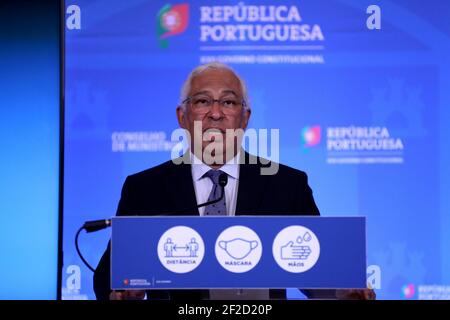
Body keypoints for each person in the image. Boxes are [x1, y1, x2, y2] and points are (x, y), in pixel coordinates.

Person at [93, 62, 375, 300]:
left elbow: (315, 268)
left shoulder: (287, 184)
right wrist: (121, 291)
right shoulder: (145, 188)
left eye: (228, 102)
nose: (215, 113)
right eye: (203, 101)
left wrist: (343, 290)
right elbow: (109, 277)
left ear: (244, 118)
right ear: (182, 116)